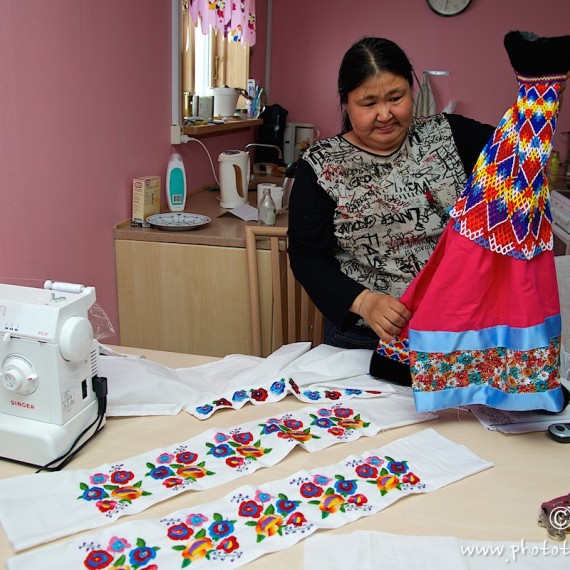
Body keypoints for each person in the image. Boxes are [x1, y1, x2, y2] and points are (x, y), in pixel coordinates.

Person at [288, 36, 494, 350]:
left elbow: (516, 153)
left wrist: (544, 90)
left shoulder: (449, 135)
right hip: (364, 338)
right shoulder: (321, 165)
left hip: (454, 333)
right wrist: (364, 302)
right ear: (346, 102)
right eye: (369, 104)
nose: (385, 114)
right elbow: (307, 257)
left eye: (396, 98)